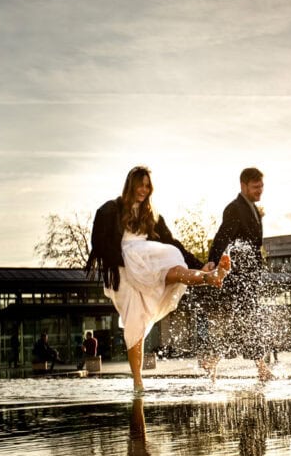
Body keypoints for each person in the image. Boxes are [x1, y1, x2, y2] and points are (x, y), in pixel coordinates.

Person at [85, 165, 231, 392]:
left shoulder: (152, 215)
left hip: (147, 257)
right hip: (126, 268)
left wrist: (196, 262)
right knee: (136, 326)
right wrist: (116, 262)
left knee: (172, 262)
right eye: (140, 185)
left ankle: (208, 277)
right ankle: (138, 382)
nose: (143, 190)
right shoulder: (113, 209)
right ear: (131, 184)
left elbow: (173, 242)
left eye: (147, 186)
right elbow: (100, 241)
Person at [202, 167, 274, 382]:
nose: (259, 190)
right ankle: (261, 369)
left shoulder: (253, 208)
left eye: (261, 186)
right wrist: (212, 261)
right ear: (243, 185)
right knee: (248, 321)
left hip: (249, 277)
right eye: (255, 187)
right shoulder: (235, 208)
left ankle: (213, 361)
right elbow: (222, 236)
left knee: (242, 323)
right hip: (238, 278)